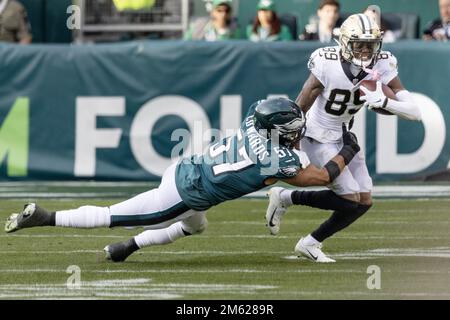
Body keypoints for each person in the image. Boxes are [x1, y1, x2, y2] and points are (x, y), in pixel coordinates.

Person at [5, 98, 361, 263]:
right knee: (112, 215)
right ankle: (44, 217)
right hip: (185, 194)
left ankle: (126, 249)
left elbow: (275, 124)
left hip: (184, 170)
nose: (298, 135)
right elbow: (323, 176)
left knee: (196, 227)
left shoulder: (255, 119)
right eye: (293, 131)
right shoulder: (278, 159)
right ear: (279, 131)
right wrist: (347, 148)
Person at [265, 14, 422, 263]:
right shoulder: (327, 62)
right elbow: (303, 101)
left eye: (370, 44)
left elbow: (414, 111)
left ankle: (309, 241)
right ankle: (288, 201)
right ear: (345, 42)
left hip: (342, 134)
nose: (365, 50)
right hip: (316, 135)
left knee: (365, 200)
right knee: (349, 200)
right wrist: (293, 141)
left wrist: (385, 101)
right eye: (359, 44)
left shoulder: (383, 63)